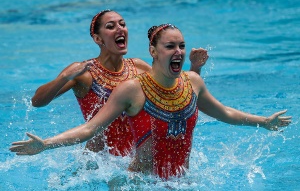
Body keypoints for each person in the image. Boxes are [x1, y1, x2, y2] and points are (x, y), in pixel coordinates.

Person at [10, 24, 291, 180]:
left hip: (182, 182)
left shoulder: (192, 81)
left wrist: (264, 122)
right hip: (139, 185)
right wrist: (45, 145)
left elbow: (224, 112)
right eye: (170, 46)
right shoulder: (131, 90)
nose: (178, 50)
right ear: (153, 51)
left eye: (181, 45)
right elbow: (89, 130)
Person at [30, 10, 209, 156]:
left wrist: (195, 67)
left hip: (133, 160)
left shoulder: (138, 67)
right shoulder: (84, 72)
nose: (120, 29)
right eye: (111, 26)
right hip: (100, 163)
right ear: (98, 39)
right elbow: (37, 102)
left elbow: (180, 95)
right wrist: (64, 78)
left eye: (122, 24)